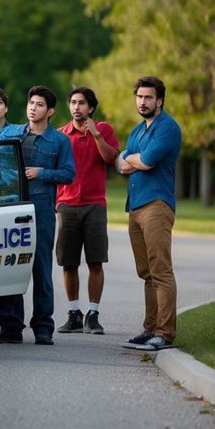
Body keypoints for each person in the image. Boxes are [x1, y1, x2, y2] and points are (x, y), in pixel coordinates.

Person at [0, 86, 74, 346]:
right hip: (10, 206)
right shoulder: (9, 133)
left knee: (41, 268)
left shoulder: (59, 141)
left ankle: (43, 328)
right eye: (30, 103)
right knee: (9, 266)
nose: (32, 108)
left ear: (50, 111)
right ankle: (11, 327)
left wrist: (41, 172)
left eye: (38, 104)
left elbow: (69, 174)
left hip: (41, 209)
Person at [117, 76, 182, 351]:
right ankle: (150, 328)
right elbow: (121, 164)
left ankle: (165, 333)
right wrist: (134, 160)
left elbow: (143, 160)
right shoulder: (137, 130)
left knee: (160, 270)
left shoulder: (167, 128)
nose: (142, 102)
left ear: (160, 100)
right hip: (136, 206)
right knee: (146, 273)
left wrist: (134, 159)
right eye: (139, 97)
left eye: (148, 97)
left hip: (157, 205)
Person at [55, 87, 119, 335]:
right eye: (72, 102)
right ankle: (73, 313)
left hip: (94, 205)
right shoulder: (61, 135)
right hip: (68, 205)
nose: (76, 107)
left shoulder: (104, 130)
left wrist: (96, 136)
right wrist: (57, 201)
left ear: (91, 107)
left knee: (95, 261)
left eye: (81, 103)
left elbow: (112, 160)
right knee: (68, 263)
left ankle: (93, 314)